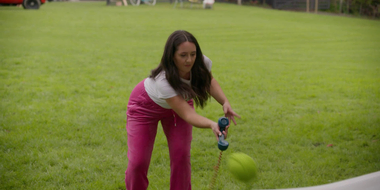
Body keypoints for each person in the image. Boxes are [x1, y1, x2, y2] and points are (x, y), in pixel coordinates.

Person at [125, 30, 240, 190]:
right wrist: (212, 124)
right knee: (138, 163)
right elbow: (187, 114)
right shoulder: (163, 80)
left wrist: (224, 101)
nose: (189, 60)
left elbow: (209, 81)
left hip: (179, 105)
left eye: (193, 54)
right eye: (183, 55)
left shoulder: (200, 62)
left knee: (181, 157)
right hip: (144, 107)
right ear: (172, 56)